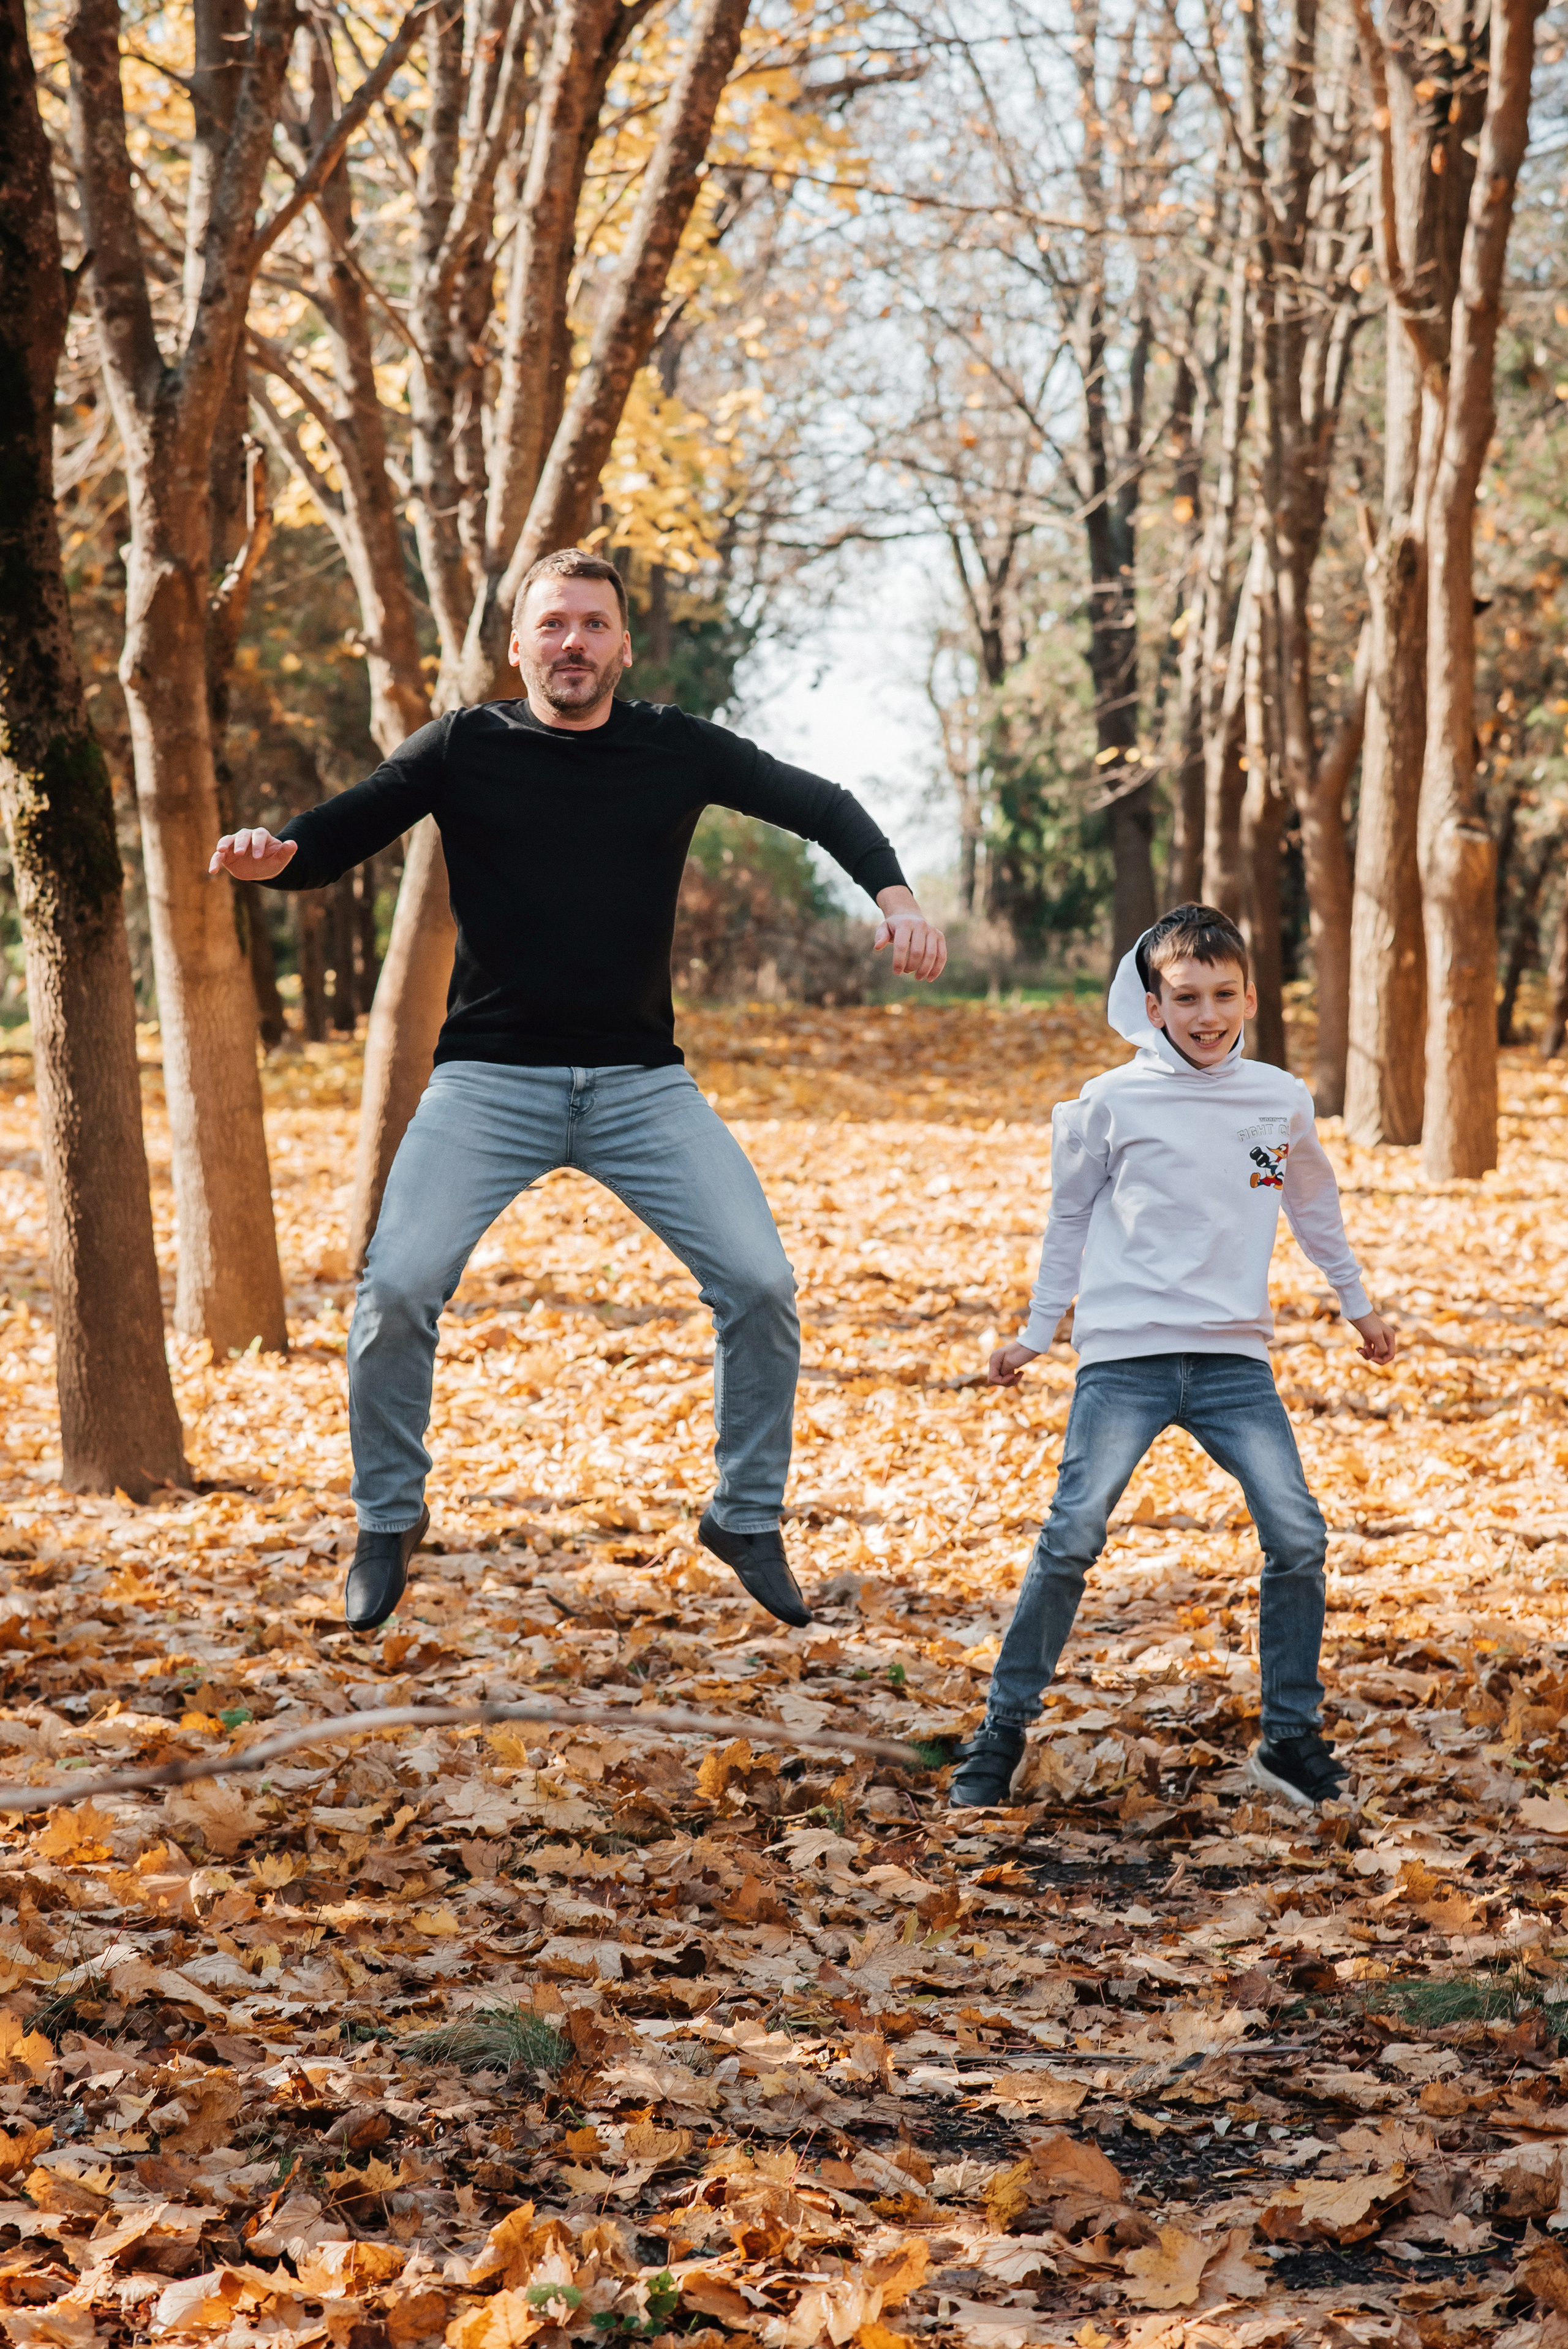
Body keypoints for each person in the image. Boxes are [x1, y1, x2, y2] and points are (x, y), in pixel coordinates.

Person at [209, 549, 946, 1635]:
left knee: (759, 1283)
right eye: (553, 626)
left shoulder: (673, 746)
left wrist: (896, 894)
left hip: (642, 1083)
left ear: (622, 647)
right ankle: (387, 1517)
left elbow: (819, 803)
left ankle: (745, 1515)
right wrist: (278, 855)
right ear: (519, 647)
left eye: (594, 626)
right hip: (486, 1080)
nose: (573, 645)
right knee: (398, 1287)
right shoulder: (466, 744)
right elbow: (343, 829)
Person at [950, 903, 1396, 1815]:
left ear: (1251, 997)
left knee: (1299, 1533)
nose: (1206, 1013)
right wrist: (1038, 1332)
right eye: (1185, 996)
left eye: (1224, 994)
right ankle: (999, 1731)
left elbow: (1311, 1203)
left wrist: (1358, 1302)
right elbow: (1068, 1216)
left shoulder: (1275, 1099)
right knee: (1070, 1536)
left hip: (1235, 1361)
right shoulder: (1111, 1103)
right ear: (1152, 1005)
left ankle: (1290, 1737)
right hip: (1126, 1359)